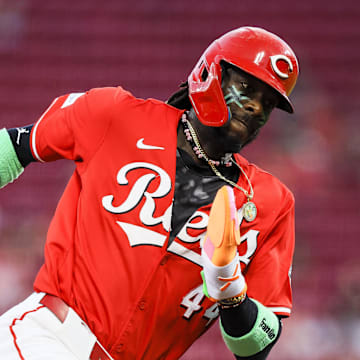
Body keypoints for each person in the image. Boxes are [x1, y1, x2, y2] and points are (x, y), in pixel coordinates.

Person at [0, 26, 298, 360]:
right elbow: (13, 148)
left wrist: (231, 291)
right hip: (50, 338)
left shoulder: (271, 203)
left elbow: (257, 348)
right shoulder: (115, 115)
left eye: (268, 102)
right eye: (246, 87)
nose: (256, 107)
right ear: (209, 73)